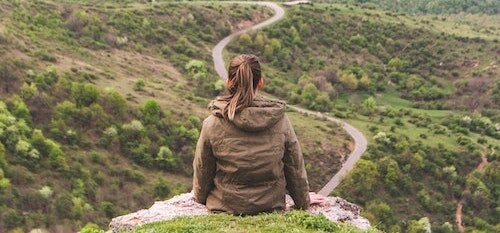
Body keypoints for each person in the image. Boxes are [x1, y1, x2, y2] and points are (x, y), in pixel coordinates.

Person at [192, 54, 325, 215]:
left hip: (225, 205)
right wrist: (303, 200)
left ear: (229, 83)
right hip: (270, 205)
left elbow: (203, 168)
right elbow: (294, 166)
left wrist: (199, 197)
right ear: (260, 82)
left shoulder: (212, 123)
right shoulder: (279, 119)